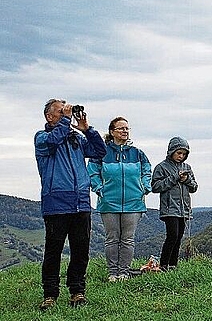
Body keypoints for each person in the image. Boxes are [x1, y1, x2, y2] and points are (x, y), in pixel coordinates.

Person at [34, 99, 107, 310]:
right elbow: (53, 141)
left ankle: (77, 291)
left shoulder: (75, 137)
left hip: (81, 201)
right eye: (61, 110)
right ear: (50, 116)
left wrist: (87, 129)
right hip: (56, 202)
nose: (66, 112)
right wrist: (66, 120)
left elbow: (99, 152)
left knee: (80, 249)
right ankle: (50, 294)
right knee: (54, 250)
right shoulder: (42, 137)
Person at [87, 117, 152, 282]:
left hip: (134, 202)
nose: (125, 131)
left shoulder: (137, 153)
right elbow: (92, 171)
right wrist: (99, 189)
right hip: (109, 202)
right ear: (112, 132)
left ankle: (124, 272)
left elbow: (146, 170)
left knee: (128, 239)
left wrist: (144, 187)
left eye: (127, 129)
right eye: (121, 128)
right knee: (112, 238)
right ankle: (112, 273)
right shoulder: (102, 152)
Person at [151, 136, 198, 271]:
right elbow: (156, 187)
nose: (181, 156)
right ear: (171, 151)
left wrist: (186, 180)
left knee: (178, 237)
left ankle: (173, 265)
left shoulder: (187, 167)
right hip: (169, 208)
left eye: (184, 154)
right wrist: (175, 177)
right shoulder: (161, 167)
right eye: (179, 153)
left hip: (184, 209)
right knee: (172, 235)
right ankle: (164, 264)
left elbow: (194, 187)